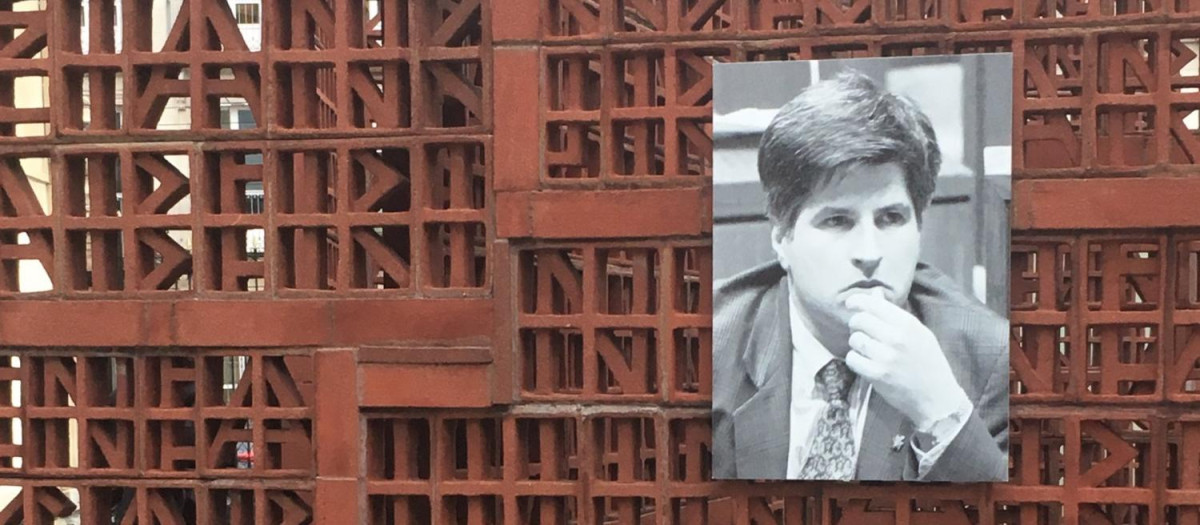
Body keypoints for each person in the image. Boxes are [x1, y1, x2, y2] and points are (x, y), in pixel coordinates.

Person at [712, 71, 1009, 482]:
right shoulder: (710, 344)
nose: (870, 253)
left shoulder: (990, 357)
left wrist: (940, 412)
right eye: (837, 221)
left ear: (919, 227)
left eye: (891, 218)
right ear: (781, 237)